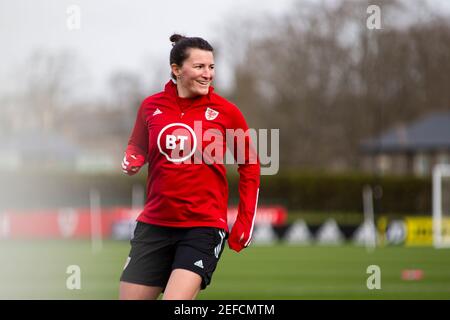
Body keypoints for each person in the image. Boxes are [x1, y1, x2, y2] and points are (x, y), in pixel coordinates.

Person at [119, 34, 260, 300]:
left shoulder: (227, 112)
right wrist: (133, 157)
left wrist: (245, 221)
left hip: (203, 227)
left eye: (212, 67)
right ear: (176, 69)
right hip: (154, 224)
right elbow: (136, 145)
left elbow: (250, 165)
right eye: (199, 67)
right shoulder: (151, 106)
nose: (208, 74)